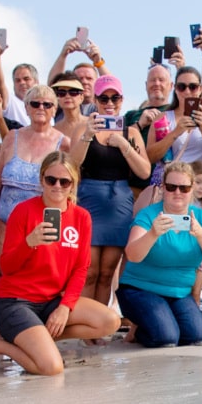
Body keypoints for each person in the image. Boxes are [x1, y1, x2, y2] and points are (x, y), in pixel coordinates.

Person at [0, 152, 121, 375]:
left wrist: (64, 307)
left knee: (109, 321)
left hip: (51, 300)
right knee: (51, 368)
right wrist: (29, 243)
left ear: (73, 184)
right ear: (42, 179)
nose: (57, 186)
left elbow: (81, 268)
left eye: (65, 181)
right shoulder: (23, 211)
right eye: (51, 180)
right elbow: (7, 267)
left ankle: (37, 337)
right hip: (16, 301)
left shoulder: (81, 217)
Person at [0, 85, 70, 333]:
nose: (41, 108)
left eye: (47, 104)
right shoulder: (12, 137)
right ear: (26, 107)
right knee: (4, 274)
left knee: (39, 279)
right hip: (6, 219)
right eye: (35, 104)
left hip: (43, 220)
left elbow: (68, 184)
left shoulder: (63, 142)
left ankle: (33, 329)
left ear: (55, 109)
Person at [117, 162, 202, 348]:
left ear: (192, 189)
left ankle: (157, 323)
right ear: (163, 188)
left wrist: (199, 232)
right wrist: (153, 234)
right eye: (172, 187)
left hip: (179, 292)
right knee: (166, 338)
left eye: (184, 187)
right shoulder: (148, 215)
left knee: (197, 336)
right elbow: (132, 255)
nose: (177, 192)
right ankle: (143, 328)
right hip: (140, 288)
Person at [69, 74, 151, 308]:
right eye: (103, 98)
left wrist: (125, 146)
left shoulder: (131, 132)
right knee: (89, 270)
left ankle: (98, 323)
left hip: (118, 203)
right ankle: (84, 322)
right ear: (95, 99)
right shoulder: (83, 127)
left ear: (122, 100)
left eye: (115, 97)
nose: (109, 103)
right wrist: (87, 135)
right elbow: (71, 165)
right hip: (89, 200)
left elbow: (144, 171)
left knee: (107, 272)